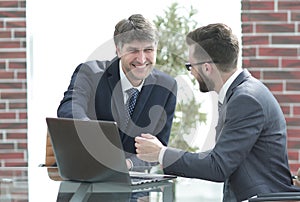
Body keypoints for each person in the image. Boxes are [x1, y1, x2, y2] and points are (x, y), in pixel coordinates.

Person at [135, 23, 300, 201]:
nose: (191, 73)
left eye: (190, 66)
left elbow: (218, 166)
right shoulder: (241, 94)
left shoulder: (246, 99)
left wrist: (161, 153)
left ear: (207, 67)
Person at [57, 14, 177, 171]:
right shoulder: (90, 73)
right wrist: (89, 130)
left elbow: (158, 147)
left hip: (135, 184)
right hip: (86, 179)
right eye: (133, 50)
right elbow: (69, 107)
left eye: (148, 50)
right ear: (118, 50)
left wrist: (128, 164)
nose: (141, 59)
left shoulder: (166, 86)